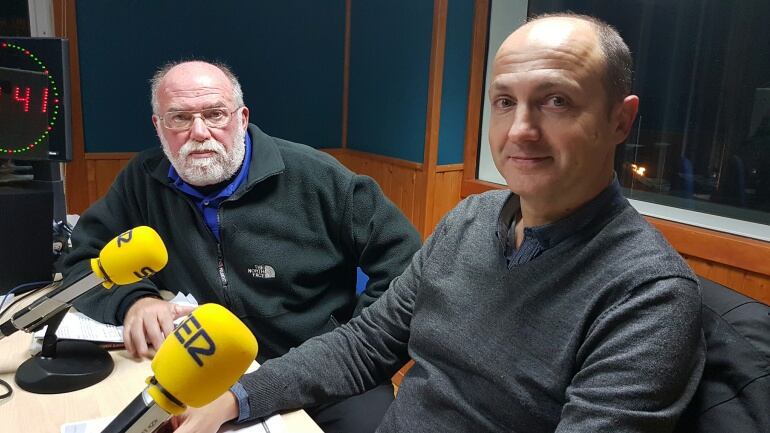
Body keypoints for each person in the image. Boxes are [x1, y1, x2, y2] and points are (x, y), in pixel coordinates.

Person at [171, 13, 706, 433]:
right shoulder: (470, 220)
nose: (521, 129)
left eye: (557, 101)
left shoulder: (648, 294)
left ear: (621, 119)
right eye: (504, 101)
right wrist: (236, 399)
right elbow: (365, 345)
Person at [61, 60, 421, 433]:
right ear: (159, 127)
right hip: (203, 369)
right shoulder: (142, 181)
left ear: (242, 117)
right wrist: (134, 300)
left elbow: (409, 269)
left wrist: (351, 347)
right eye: (179, 118)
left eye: (215, 114)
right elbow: (83, 262)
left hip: (322, 371)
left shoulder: (319, 178)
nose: (199, 132)